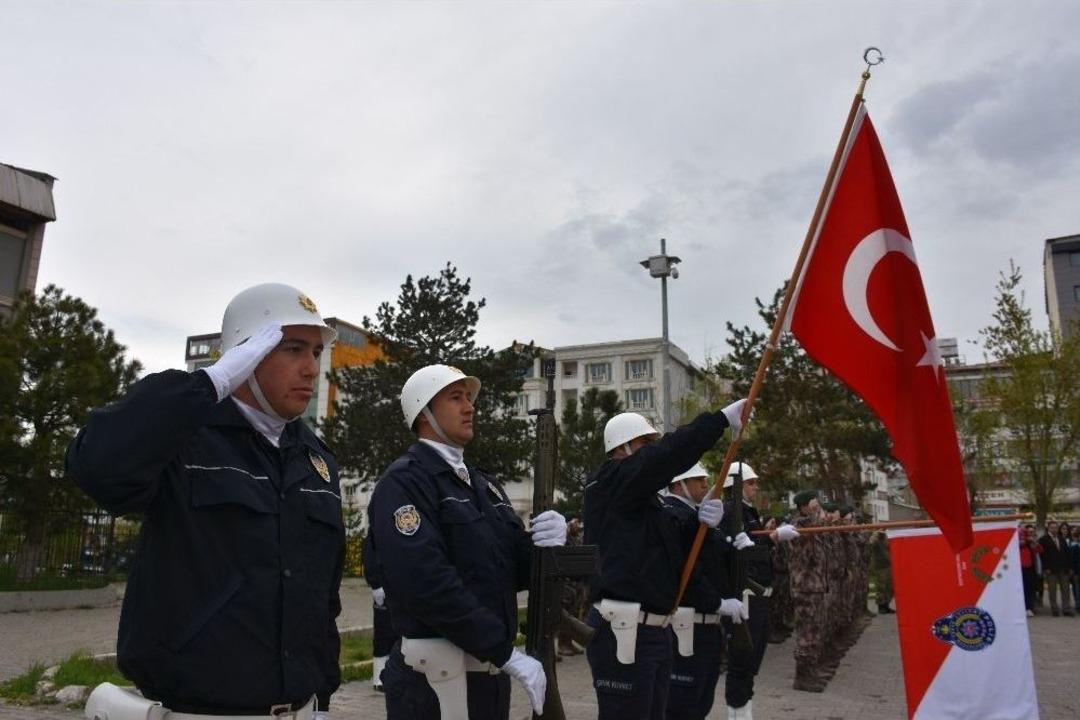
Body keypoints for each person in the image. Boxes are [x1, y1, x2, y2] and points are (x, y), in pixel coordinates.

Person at [70, 283, 345, 719]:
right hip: (199, 709)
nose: (312, 368)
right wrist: (207, 384)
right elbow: (98, 467)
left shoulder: (315, 459)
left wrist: (323, 698)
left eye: (315, 351)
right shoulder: (185, 436)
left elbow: (323, 599)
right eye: (293, 349)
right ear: (245, 353)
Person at [368, 364, 566, 720]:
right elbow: (427, 583)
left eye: (470, 398)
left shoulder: (484, 486)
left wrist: (544, 544)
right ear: (424, 412)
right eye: (456, 398)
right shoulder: (404, 483)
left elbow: (507, 571)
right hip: (433, 686)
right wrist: (504, 651)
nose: (470, 407)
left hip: (487, 681)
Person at [583, 402, 747, 720]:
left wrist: (703, 522)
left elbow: (680, 543)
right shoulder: (609, 481)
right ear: (623, 447)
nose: (652, 451)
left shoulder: (646, 500)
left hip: (655, 633)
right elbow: (665, 458)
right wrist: (718, 421)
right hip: (623, 632)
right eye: (645, 443)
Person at [662, 463, 745, 720]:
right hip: (689, 624)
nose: (706, 485)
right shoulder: (673, 515)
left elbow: (714, 565)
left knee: (700, 702)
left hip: (708, 624)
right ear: (679, 484)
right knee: (681, 705)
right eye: (698, 480)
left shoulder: (699, 516)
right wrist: (715, 602)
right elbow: (688, 570)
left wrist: (736, 548)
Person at [718, 462, 800, 720]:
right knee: (742, 660)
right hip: (745, 597)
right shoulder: (733, 511)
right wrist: (773, 536)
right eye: (750, 483)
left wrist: (769, 536)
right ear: (737, 485)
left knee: (752, 661)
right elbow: (742, 550)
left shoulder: (747, 512)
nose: (755, 487)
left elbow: (752, 545)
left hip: (758, 597)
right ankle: (737, 713)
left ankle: (743, 709)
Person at [788, 490, 828, 693]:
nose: (818, 505)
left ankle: (811, 670)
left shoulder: (811, 525)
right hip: (805, 589)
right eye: (814, 503)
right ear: (804, 506)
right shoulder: (799, 526)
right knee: (806, 633)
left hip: (815, 587)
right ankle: (802, 676)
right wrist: (816, 514)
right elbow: (809, 537)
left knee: (816, 630)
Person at [363, 528, 398, 691]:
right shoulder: (375, 532)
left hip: (400, 586)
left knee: (399, 631)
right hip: (383, 588)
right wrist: (376, 584)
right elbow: (369, 557)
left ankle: (395, 673)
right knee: (383, 632)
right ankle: (379, 677)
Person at [1038, 521, 1075, 617]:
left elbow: (1067, 553)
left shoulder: (1061, 538)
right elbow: (1042, 556)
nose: (1054, 529)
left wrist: (1070, 567)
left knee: (1066, 590)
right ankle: (1055, 609)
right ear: (1048, 528)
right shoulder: (1043, 540)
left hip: (1063, 568)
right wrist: (1046, 568)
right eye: (1052, 527)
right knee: (1052, 590)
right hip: (1051, 569)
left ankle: (1066, 609)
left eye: (1056, 527)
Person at [1018, 525, 1043, 617]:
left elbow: (1040, 550)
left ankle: (1029, 608)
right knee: (1021, 589)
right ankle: (1022, 608)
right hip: (1020, 570)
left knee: (1029, 589)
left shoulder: (1030, 544)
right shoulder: (1016, 546)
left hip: (1030, 569)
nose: (1022, 539)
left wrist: (1033, 542)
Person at [868, 531, 894, 614]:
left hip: (889, 566)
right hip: (880, 567)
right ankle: (881, 606)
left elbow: (890, 547)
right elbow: (871, 541)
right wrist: (877, 533)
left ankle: (887, 605)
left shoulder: (885, 543)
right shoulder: (876, 543)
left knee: (889, 587)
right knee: (881, 587)